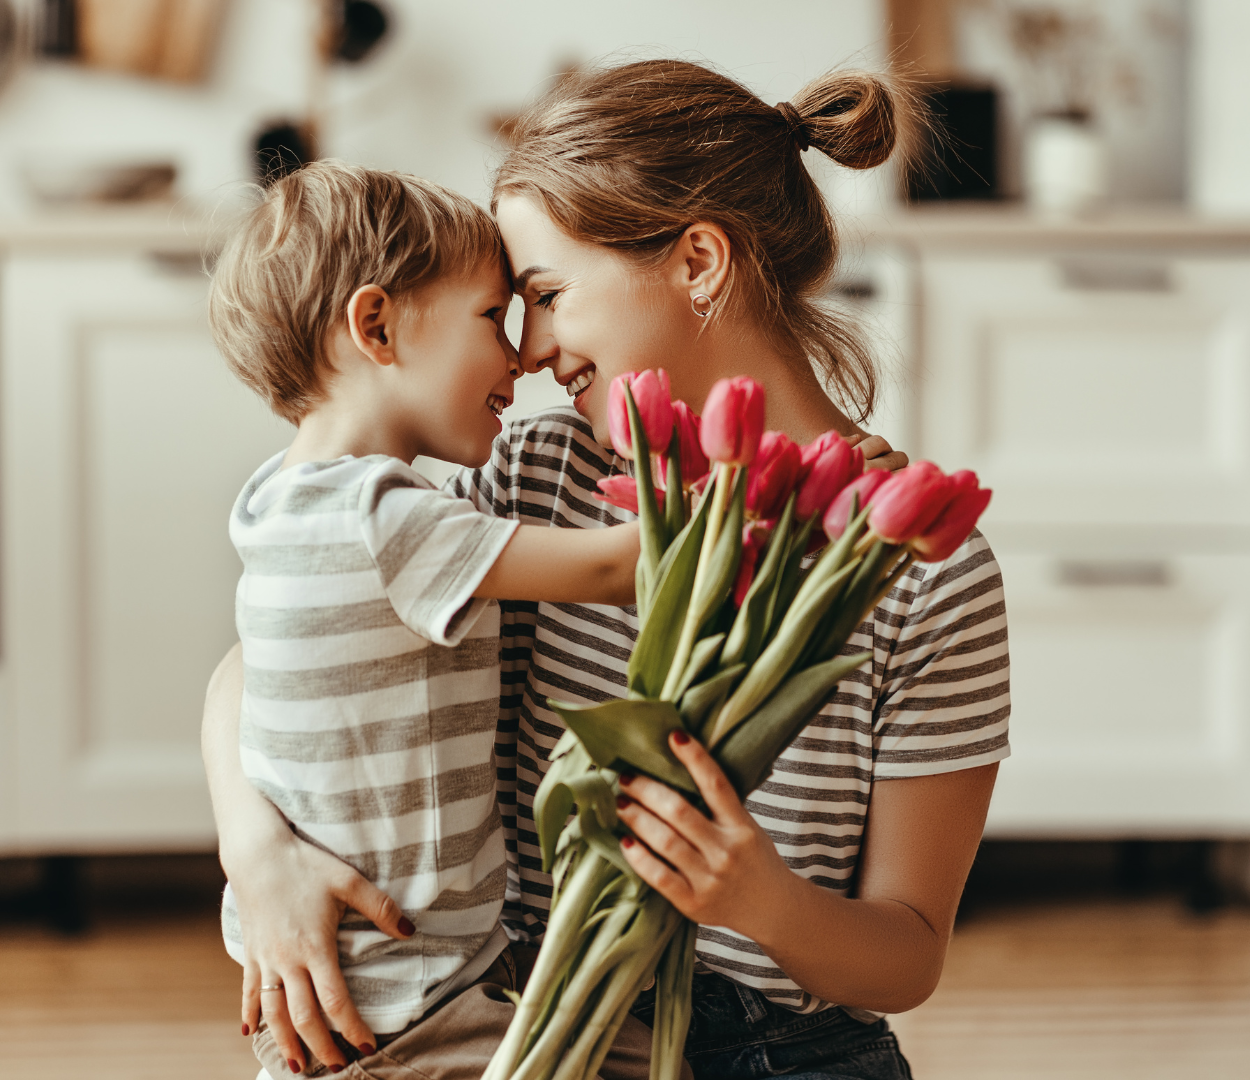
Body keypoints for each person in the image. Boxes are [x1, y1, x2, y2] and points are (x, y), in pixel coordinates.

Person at [203, 62, 1009, 1080]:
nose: (529, 350)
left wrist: (758, 897)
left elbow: (906, 957)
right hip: (525, 1022)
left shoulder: (921, 571)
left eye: (543, 295)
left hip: (778, 1052)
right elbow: (274, 654)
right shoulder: (538, 474)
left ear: (700, 261)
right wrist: (257, 851)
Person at [207, 162, 649, 1079]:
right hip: (409, 999)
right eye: (494, 317)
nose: (521, 356)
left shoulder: (276, 499)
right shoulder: (385, 521)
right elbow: (615, 568)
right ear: (376, 326)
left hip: (372, 983)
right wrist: (798, 485)